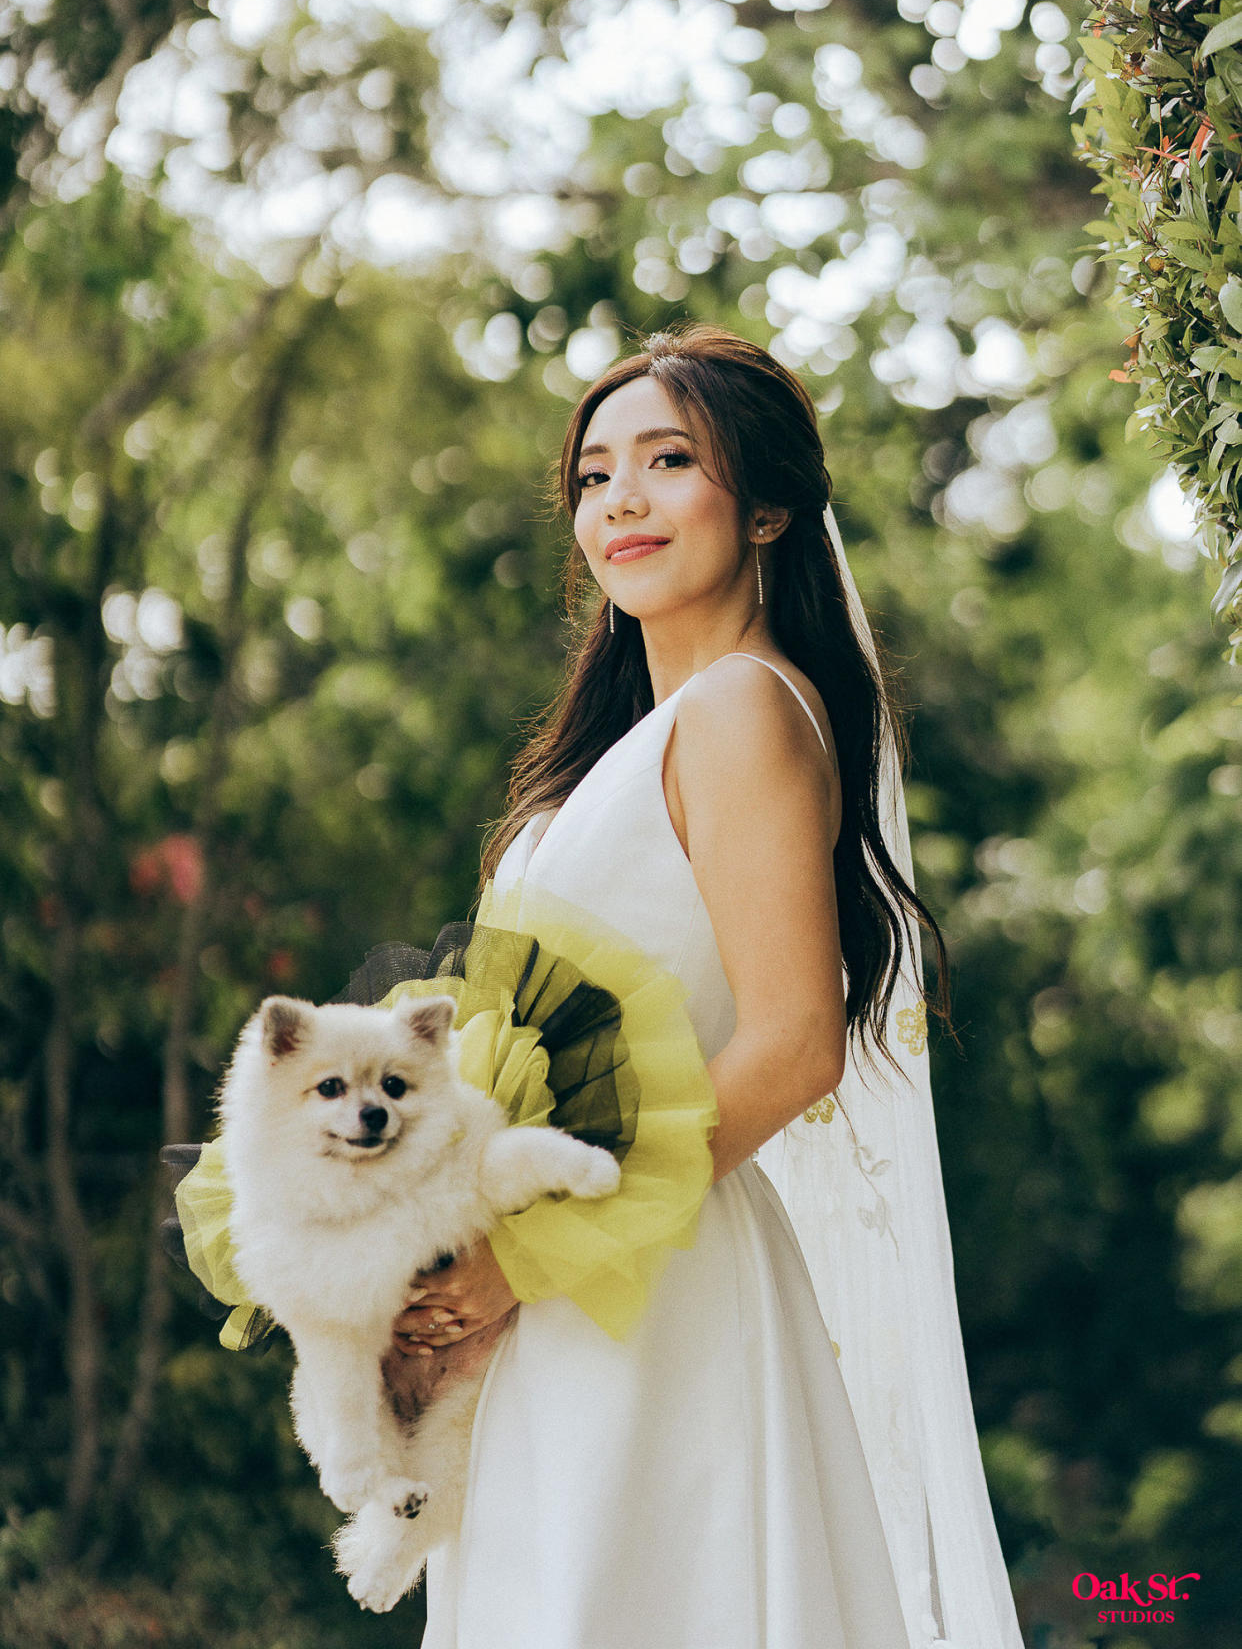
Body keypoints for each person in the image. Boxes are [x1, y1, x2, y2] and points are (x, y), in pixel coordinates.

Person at [387, 325, 1025, 1649]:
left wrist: (529, 1257)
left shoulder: (742, 710)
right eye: (592, 475)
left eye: (667, 461)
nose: (617, 499)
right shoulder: (609, 759)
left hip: (649, 1284)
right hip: (555, 1295)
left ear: (769, 506)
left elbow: (794, 1045)